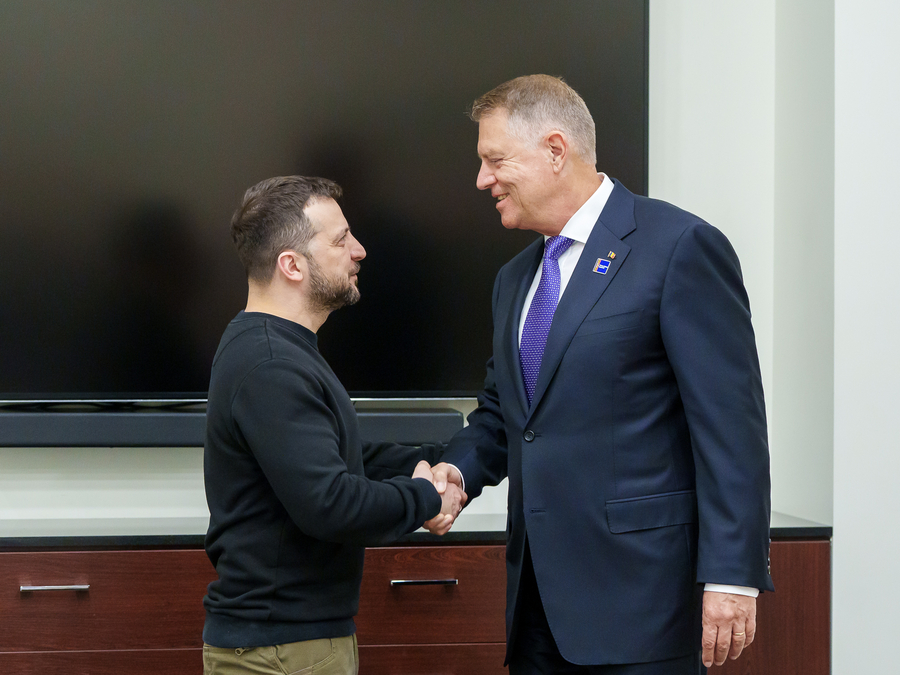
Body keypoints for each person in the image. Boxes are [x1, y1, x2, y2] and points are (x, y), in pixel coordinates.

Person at [431, 75, 773, 674]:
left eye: (495, 160)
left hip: (643, 604)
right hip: (537, 607)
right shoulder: (514, 278)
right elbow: (505, 412)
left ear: (555, 150)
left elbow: (730, 428)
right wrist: (456, 471)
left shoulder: (679, 247)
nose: (483, 179)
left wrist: (731, 576)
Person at [202, 175, 464, 675]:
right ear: (292, 265)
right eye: (341, 240)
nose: (359, 250)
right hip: (282, 652)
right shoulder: (271, 364)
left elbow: (340, 457)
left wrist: (434, 460)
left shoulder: (277, 349)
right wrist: (426, 498)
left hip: (291, 645)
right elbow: (330, 504)